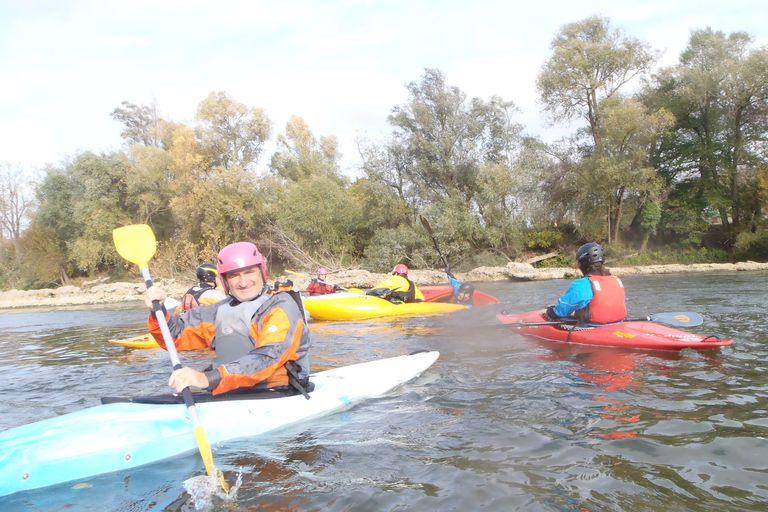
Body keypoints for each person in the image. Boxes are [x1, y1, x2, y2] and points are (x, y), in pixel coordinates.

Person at [145, 241, 311, 397]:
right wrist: (157, 311)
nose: (243, 282)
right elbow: (175, 335)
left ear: (262, 272)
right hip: (231, 389)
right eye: (234, 275)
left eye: (249, 272)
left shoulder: (281, 306)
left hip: (279, 392)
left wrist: (208, 378)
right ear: (224, 281)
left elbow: (268, 357)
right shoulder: (218, 311)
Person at [544, 242, 627, 324]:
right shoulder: (616, 280)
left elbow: (559, 312)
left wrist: (550, 311)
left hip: (592, 329)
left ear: (582, 264)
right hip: (618, 324)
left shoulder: (582, 284)